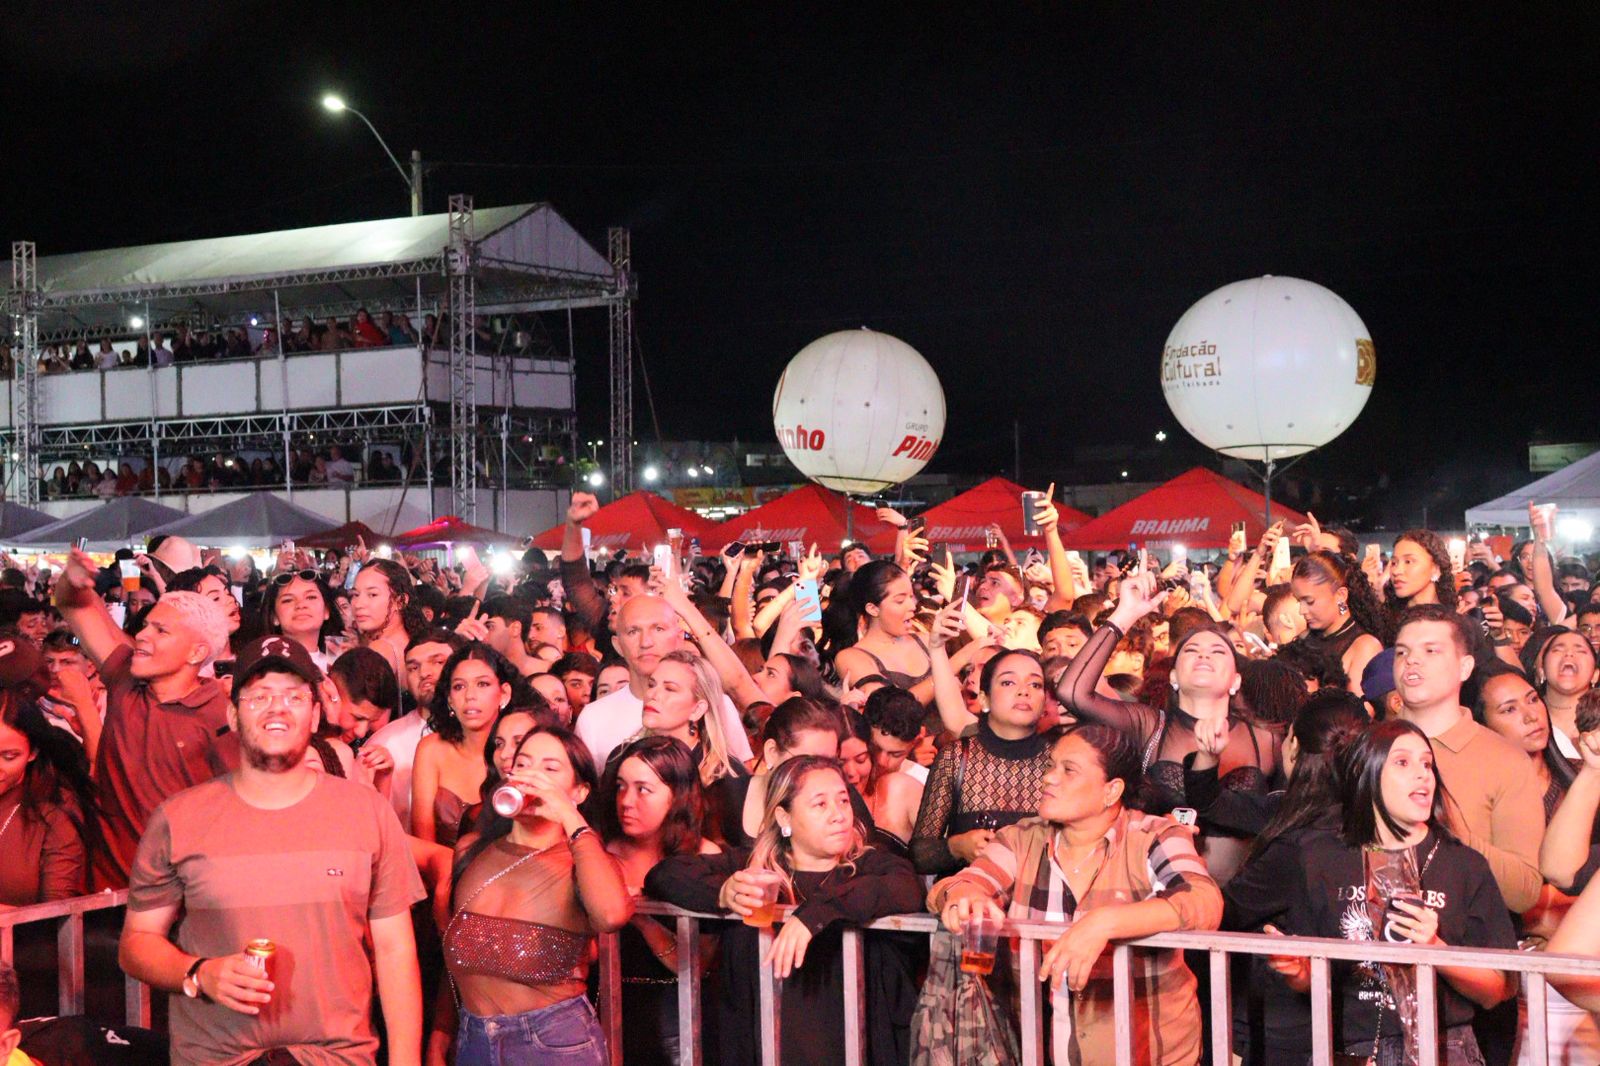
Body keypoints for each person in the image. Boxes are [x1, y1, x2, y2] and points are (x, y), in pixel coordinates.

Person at [118, 636, 425, 1065]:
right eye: (259, 695)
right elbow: (136, 943)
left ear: (316, 715)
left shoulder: (367, 812)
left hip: (336, 1058)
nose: (277, 708)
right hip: (216, 1058)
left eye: (294, 697)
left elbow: (395, 951)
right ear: (233, 713)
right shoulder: (178, 819)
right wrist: (199, 973)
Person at [931, 722, 1223, 1065]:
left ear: (1111, 791)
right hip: (1037, 1052)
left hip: (1149, 1054)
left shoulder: (1153, 834)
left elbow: (1202, 899)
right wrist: (966, 895)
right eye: (1051, 766)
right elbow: (964, 883)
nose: (1049, 778)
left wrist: (1105, 923)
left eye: (1069, 770)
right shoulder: (1023, 838)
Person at [1257, 720, 1517, 1065]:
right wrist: (1299, 972)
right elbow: (1316, 982)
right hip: (1354, 1048)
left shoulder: (1464, 865)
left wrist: (1435, 949)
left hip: (1444, 1048)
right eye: (1403, 762)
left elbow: (1496, 991)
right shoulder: (1320, 857)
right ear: (1368, 774)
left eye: (1427, 764)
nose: (1423, 774)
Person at [646, 754, 923, 1066]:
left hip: (852, 1049)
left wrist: (815, 915)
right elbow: (664, 875)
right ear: (784, 817)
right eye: (820, 804)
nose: (839, 815)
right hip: (767, 1046)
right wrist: (723, 893)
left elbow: (905, 888)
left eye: (843, 801)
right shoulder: (754, 870)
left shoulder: (871, 866)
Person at [1057, 570, 1280, 883]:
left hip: (1242, 908)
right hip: (1157, 895)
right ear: (1174, 677)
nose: (1203, 654)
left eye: (1218, 651)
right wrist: (1125, 613)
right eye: (1191, 650)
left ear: (1236, 680)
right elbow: (1072, 692)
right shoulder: (1150, 726)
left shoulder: (1265, 739)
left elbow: (1288, 821)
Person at [440, 725, 632, 1066]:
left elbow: (612, 915)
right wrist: (441, 1032)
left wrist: (568, 815)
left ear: (580, 791)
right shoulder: (473, 850)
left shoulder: (583, 860)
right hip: (474, 1039)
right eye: (524, 765)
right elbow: (457, 957)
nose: (533, 777)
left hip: (551, 1043)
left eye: (550, 769)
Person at [53, 548, 235, 888]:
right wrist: (72, 581)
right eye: (146, 625)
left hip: (179, 903)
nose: (141, 635)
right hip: (104, 894)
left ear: (197, 652)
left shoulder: (222, 717)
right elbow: (73, 605)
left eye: (161, 631)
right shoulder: (126, 678)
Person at [1391, 605, 1545, 913]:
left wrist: (1454, 834)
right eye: (1401, 653)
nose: (1412, 661)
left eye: (1431, 650)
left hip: (1461, 948)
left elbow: (1524, 892)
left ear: (1465, 668)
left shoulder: (1506, 760)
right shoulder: (1366, 748)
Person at [597, 735, 720, 1065]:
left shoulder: (705, 858)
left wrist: (641, 918)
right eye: (621, 786)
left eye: (643, 789)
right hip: (604, 1012)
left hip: (677, 1017)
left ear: (677, 797)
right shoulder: (599, 850)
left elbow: (702, 962)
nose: (626, 801)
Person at [912, 648, 1053, 876]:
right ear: (984, 698)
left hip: (1036, 901)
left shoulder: (1058, 760)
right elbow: (920, 854)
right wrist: (956, 846)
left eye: (1035, 685)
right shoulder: (956, 757)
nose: (1024, 691)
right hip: (965, 897)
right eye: (1008, 683)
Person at [572, 594, 751, 770]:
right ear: (618, 645)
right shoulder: (593, 718)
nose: (646, 642)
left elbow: (742, 782)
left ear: (679, 637)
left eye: (658, 629)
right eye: (633, 631)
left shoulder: (718, 705)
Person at [605, 648, 748, 841]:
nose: (653, 695)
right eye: (652, 684)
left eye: (669, 689)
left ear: (697, 709)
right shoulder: (621, 757)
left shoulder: (725, 776)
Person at [413, 643, 521, 848]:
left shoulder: (521, 750)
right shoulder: (431, 750)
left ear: (504, 694)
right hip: (441, 874)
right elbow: (423, 844)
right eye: (459, 686)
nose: (470, 696)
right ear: (450, 700)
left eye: (482, 684)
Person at [365, 630, 467, 832]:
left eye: (438, 662)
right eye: (413, 667)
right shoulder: (387, 743)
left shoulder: (488, 735)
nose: (424, 672)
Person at [0, 688, 95, 904]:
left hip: (25, 937)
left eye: (9, 756)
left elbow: (56, 911)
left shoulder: (54, 807)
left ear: (33, 753)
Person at [829, 561, 935, 705]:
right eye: (900, 600)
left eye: (911, 597)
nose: (912, 606)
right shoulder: (851, 657)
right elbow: (892, 709)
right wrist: (953, 667)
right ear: (873, 609)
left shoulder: (926, 640)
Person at [1289, 549, 1387, 692]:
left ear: (1340, 595)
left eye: (1309, 601)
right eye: (1299, 601)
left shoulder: (1365, 647)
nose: (1302, 610)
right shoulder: (1304, 637)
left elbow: (1362, 711)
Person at [260, 567, 339, 671]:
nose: (301, 605)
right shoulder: (262, 669)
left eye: (311, 597)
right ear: (274, 617)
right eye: (288, 600)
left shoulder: (339, 667)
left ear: (326, 611)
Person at [352, 559, 418, 683]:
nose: (358, 604)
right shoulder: (411, 639)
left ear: (400, 601)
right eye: (355, 594)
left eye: (372, 595)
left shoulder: (381, 649)